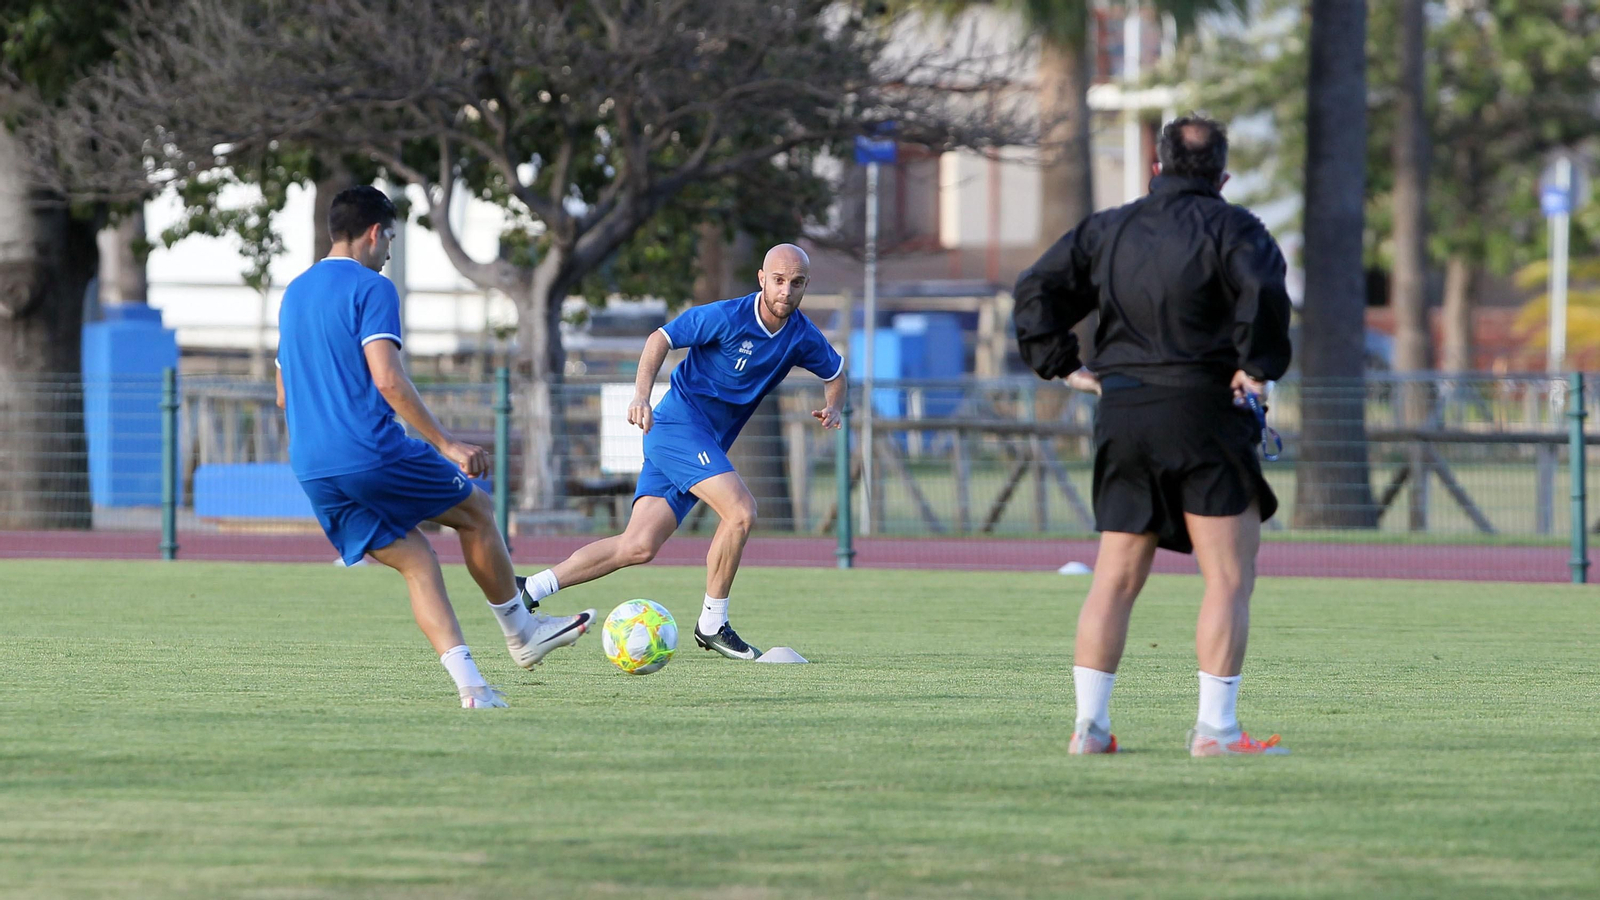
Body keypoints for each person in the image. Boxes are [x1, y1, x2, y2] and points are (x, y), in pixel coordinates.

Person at [1012, 115, 1293, 756]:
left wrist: (1063, 363)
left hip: (1125, 410)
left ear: (1157, 166)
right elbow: (1266, 295)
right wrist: (1258, 368)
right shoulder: (1238, 229)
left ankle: (1090, 729)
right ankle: (1216, 731)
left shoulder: (1110, 228)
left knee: (1113, 577)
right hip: (1206, 411)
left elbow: (1036, 288)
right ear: (1222, 175)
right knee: (1227, 577)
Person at [276, 186, 594, 709]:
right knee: (477, 509)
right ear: (375, 233)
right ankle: (521, 630)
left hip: (313, 469)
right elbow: (388, 379)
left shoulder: (295, 293)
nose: (388, 252)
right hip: (369, 451)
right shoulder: (371, 287)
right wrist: (446, 443)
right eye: (391, 240)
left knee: (417, 560)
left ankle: (472, 688)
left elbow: (286, 395)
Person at [518, 243, 846, 660]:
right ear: (762, 279)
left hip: (700, 442)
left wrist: (833, 405)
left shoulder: (801, 335)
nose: (786, 291)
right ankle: (713, 623)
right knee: (741, 511)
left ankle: (531, 588)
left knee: (637, 546)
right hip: (676, 427)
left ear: (805, 286)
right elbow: (661, 338)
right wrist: (640, 396)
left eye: (795, 283)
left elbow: (835, 372)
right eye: (778, 280)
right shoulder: (725, 316)